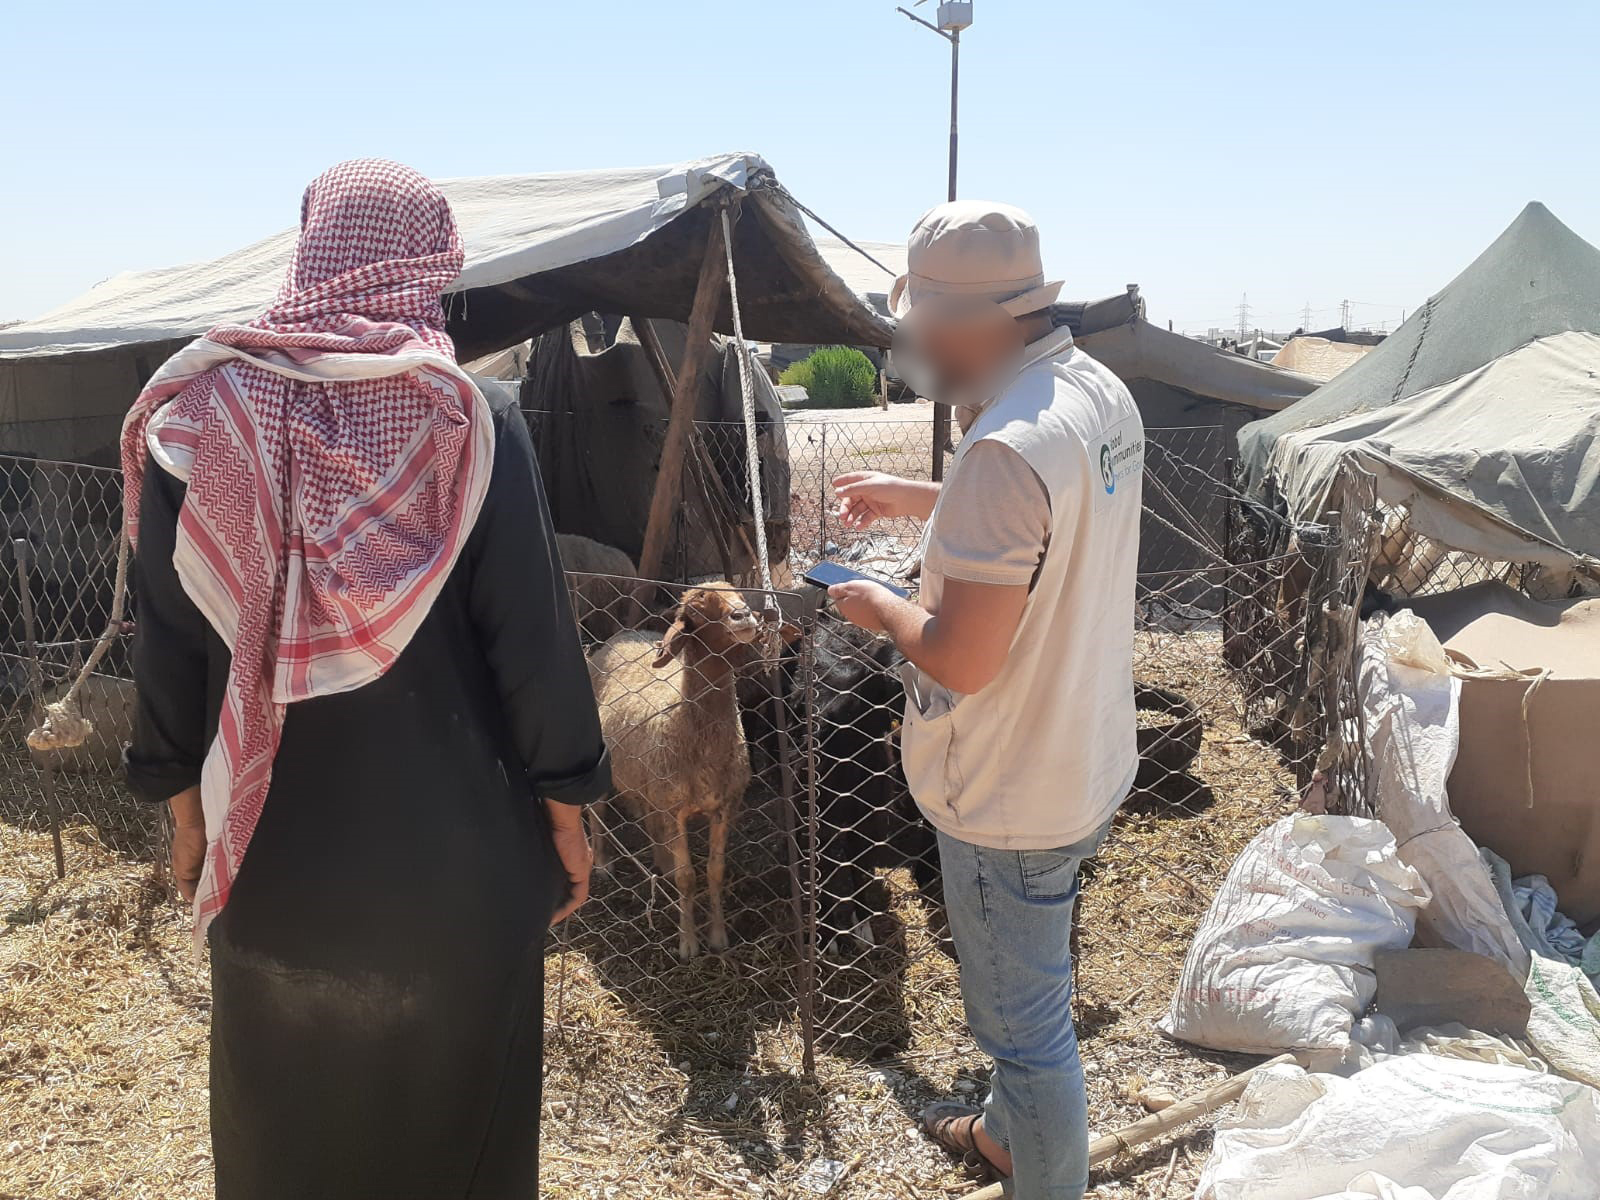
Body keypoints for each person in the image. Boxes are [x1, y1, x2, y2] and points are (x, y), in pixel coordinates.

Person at [122, 159, 609, 1199]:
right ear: (429, 264)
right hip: (460, 886)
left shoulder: (199, 423)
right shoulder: (471, 420)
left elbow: (165, 647)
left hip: (274, 879)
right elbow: (532, 647)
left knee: (285, 1154)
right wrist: (565, 814)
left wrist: (186, 821)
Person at [826, 201, 1144, 1200]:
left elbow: (960, 659)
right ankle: (1009, 1138)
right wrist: (919, 493)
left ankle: (1042, 1167)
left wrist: (874, 605)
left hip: (1008, 790)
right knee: (1030, 985)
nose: (911, 343)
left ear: (966, 323)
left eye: (918, 324)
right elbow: (1036, 513)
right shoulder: (1092, 394)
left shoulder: (1004, 446)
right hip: (1081, 753)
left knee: (1026, 1032)